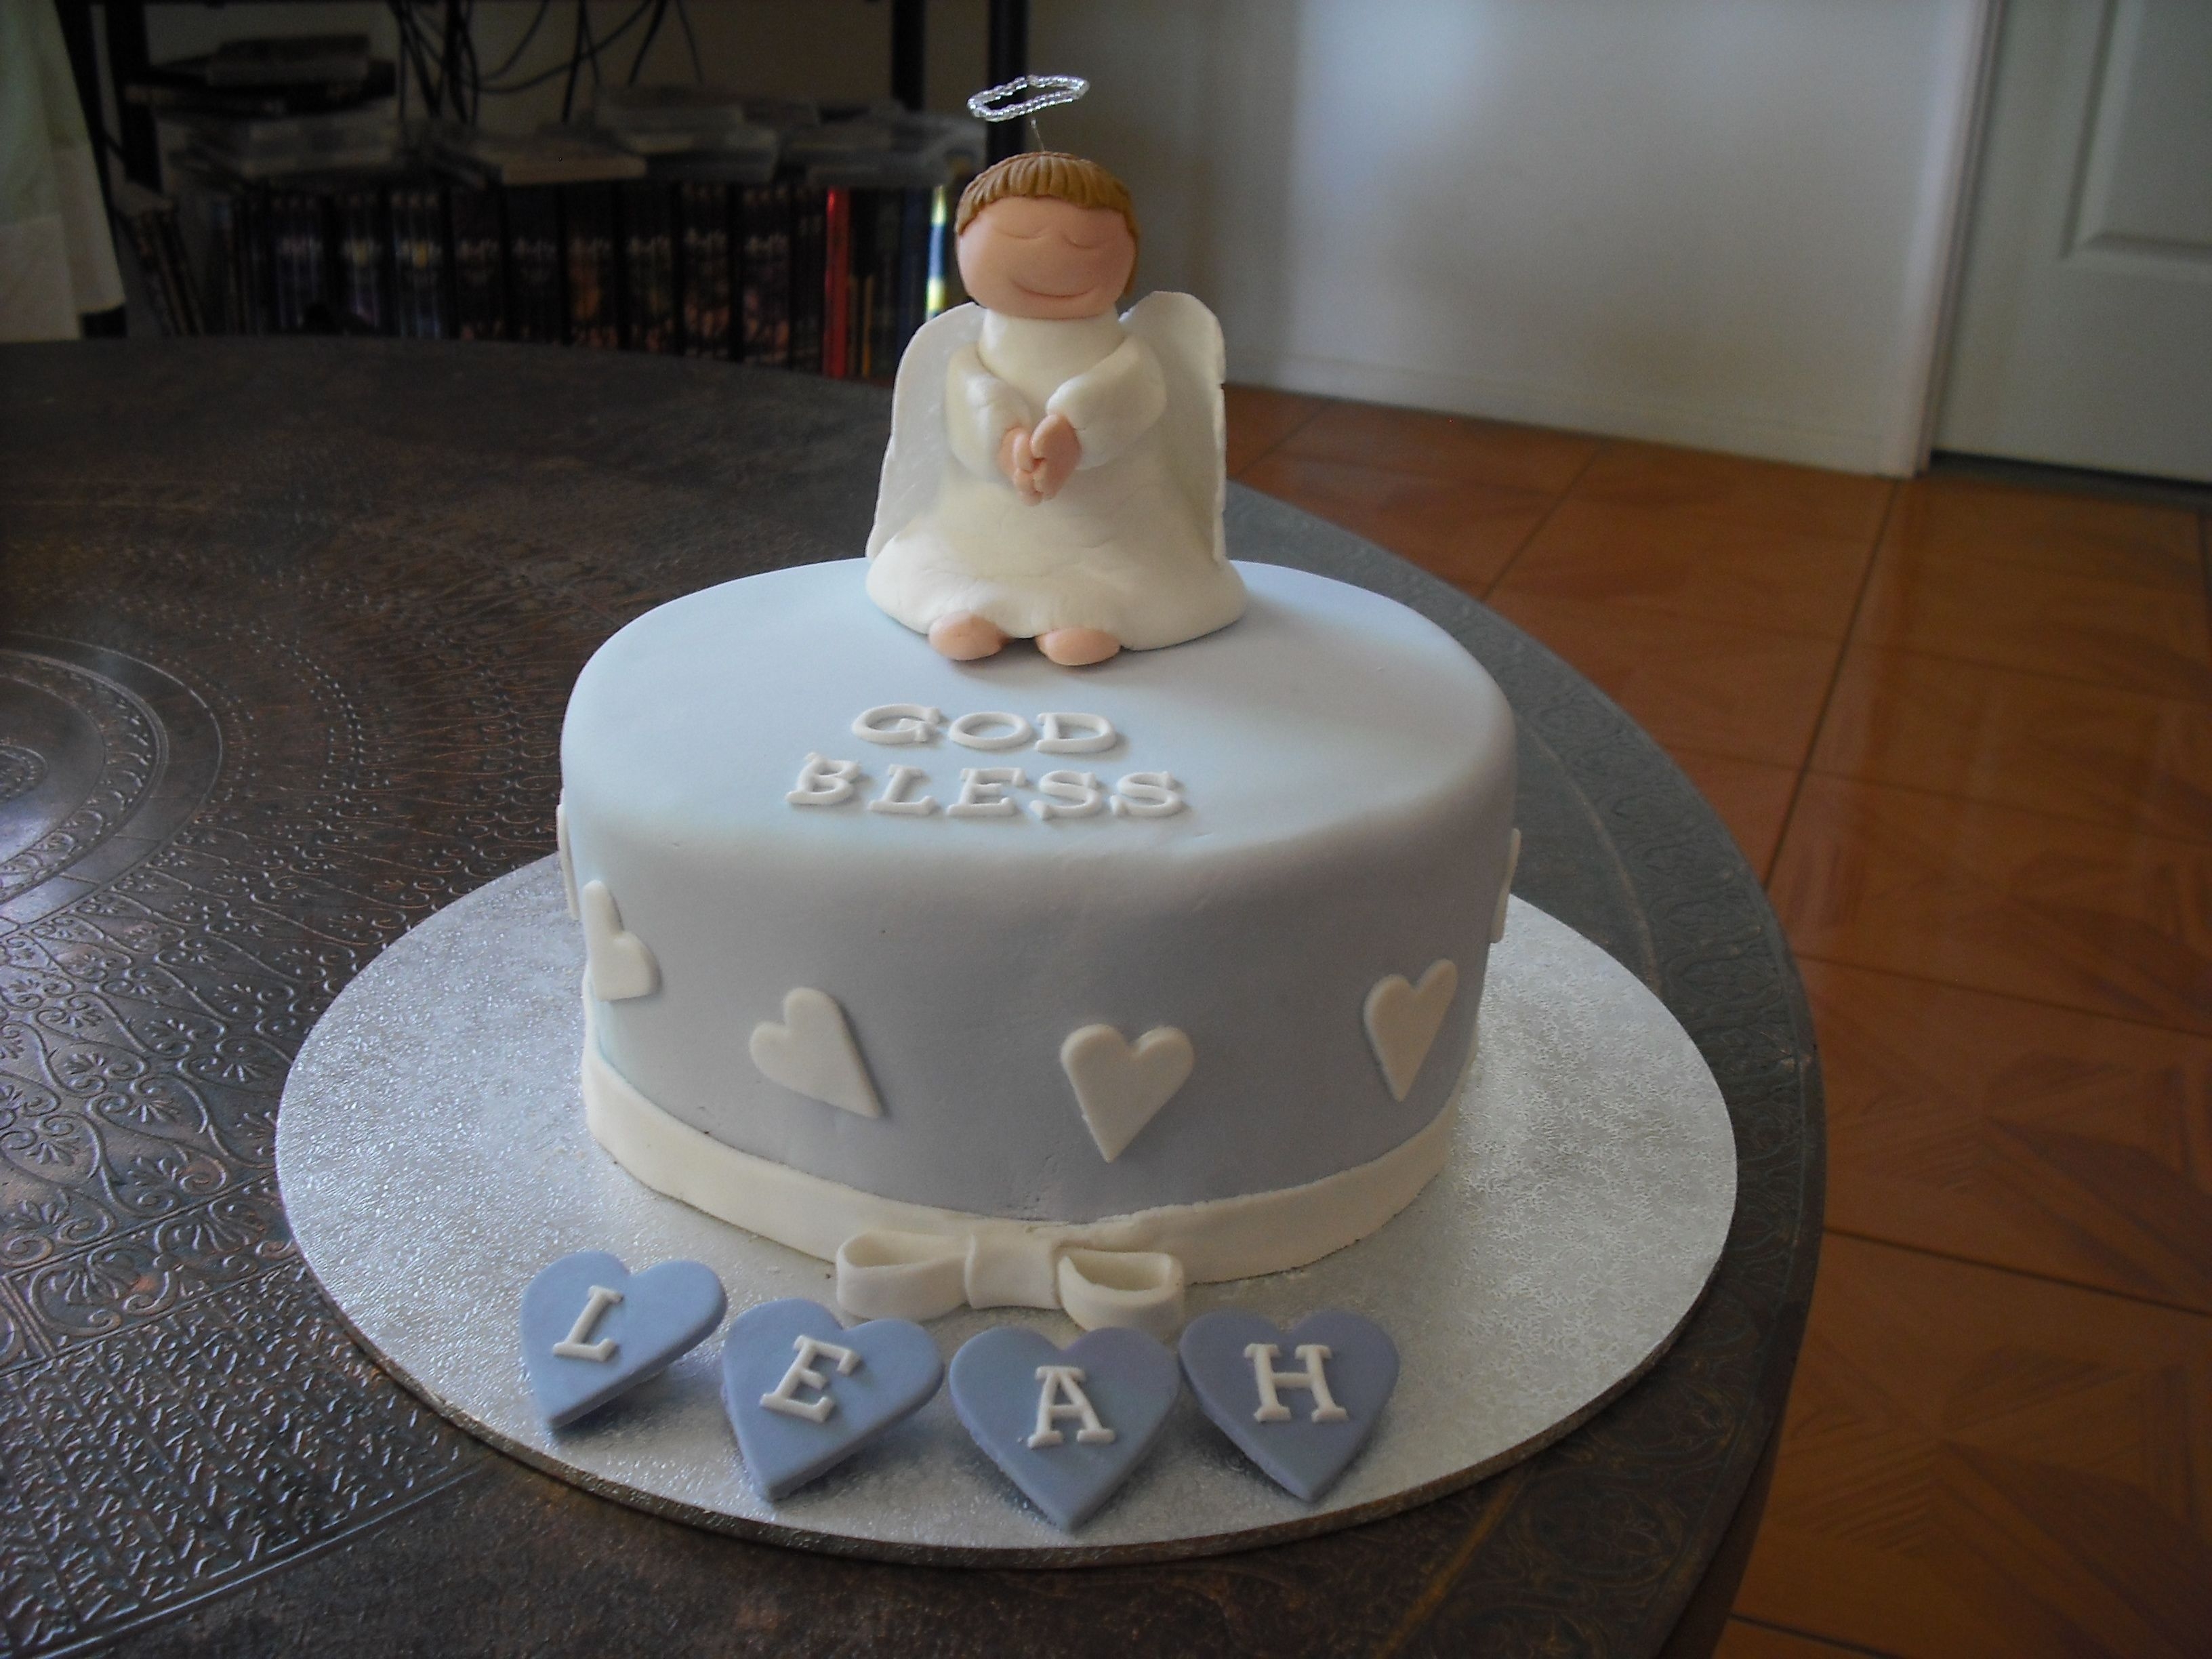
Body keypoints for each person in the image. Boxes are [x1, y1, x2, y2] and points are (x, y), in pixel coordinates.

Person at [865, 152, 1246, 665]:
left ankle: (1090, 616)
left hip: (1109, 522)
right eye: (1021, 239)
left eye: (1084, 245)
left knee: (1107, 565)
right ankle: (971, 607)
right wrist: (1004, 445)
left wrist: (1075, 433)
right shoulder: (969, 353)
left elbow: (1129, 393)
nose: (1053, 258)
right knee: (967, 552)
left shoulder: (1130, 354)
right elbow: (970, 399)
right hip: (982, 521)